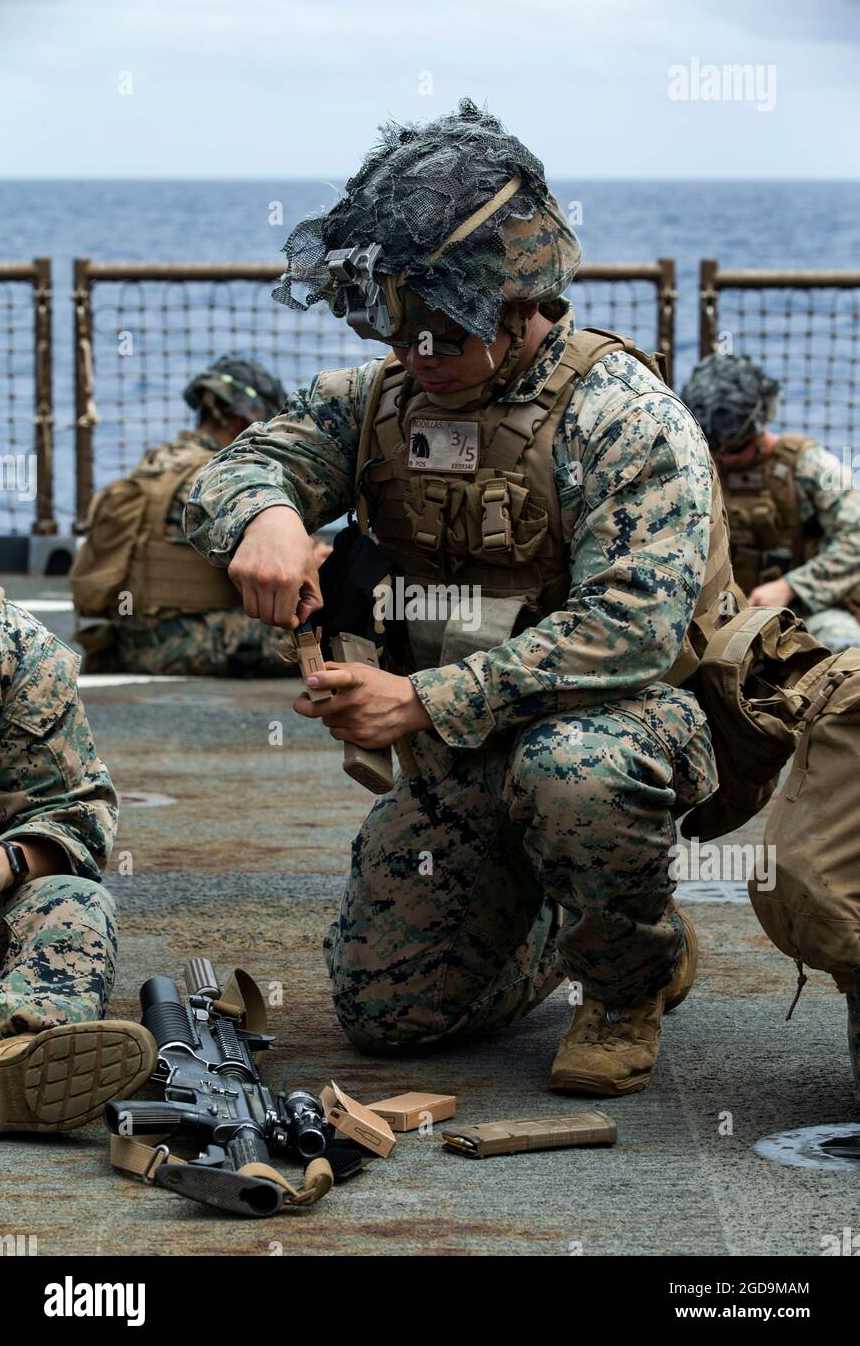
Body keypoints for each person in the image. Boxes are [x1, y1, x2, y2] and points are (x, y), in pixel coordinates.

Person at [185, 99, 741, 1096]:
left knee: (578, 772)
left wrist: (422, 699)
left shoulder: (622, 420)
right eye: (400, 330)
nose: (416, 356)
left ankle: (627, 979)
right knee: (388, 1017)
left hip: (611, 728)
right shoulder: (383, 400)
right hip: (459, 764)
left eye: (443, 333)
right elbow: (239, 467)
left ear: (521, 307)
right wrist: (264, 514)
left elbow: (632, 631)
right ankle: (558, 918)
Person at [0, 584, 154, 1133]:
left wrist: (11, 858)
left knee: (76, 905)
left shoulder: (10, 647)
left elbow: (71, 809)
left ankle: (22, 1061)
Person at [70, 355, 329, 675]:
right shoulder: (220, 479)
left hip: (125, 642)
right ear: (241, 425)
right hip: (183, 643)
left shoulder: (160, 463)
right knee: (331, 630)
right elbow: (270, 566)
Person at [682, 352, 860, 652]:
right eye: (716, 449)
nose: (725, 458)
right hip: (717, 613)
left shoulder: (807, 466)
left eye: (736, 448)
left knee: (844, 645)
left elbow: (854, 537)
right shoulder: (695, 466)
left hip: (801, 612)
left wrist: (792, 587)